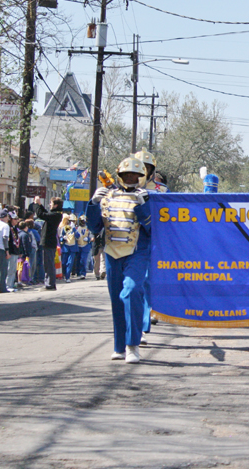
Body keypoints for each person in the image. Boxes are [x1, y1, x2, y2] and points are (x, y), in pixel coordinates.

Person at [87, 156, 152, 364]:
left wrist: (144, 206)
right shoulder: (108, 195)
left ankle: (133, 344)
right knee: (116, 301)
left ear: (142, 176)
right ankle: (119, 346)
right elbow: (94, 227)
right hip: (112, 251)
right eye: (127, 174)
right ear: (120, 175)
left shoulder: (148, 197)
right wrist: (93, 203)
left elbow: (153, 228)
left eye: (135, 174)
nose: (131, 178)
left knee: (132, 291)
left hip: (137, 251)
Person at [135, 149, 168, 342]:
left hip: (153, 241)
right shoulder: (121, 188)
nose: (143, 170)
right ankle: (132, 326)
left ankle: (141, 326)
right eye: (139, 166)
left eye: (147, 167)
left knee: (146, 282)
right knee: (130, 287)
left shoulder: (161, 190)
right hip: (127, 240)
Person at [58, 213, 78, 284]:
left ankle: (67, 277)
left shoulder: (73, 228)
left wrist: (74, 230)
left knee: (70, 263)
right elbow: (60, 237)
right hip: (66, 247)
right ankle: (64, 274)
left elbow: (78, 236)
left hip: (72, 247)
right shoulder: (64, 228)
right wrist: (63, 238)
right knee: (63, 262)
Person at [5, 211, 22, 291]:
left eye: (17, 219)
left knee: (13, 269)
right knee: (9, 269)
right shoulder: (8, 228)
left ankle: (11, 284)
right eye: (15, 219)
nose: (16, 220)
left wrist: (19, 251)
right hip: (10, 251)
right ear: (10, 219)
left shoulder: (15, 228)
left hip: (15, 251)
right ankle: (7, 285)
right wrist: (7, 251)